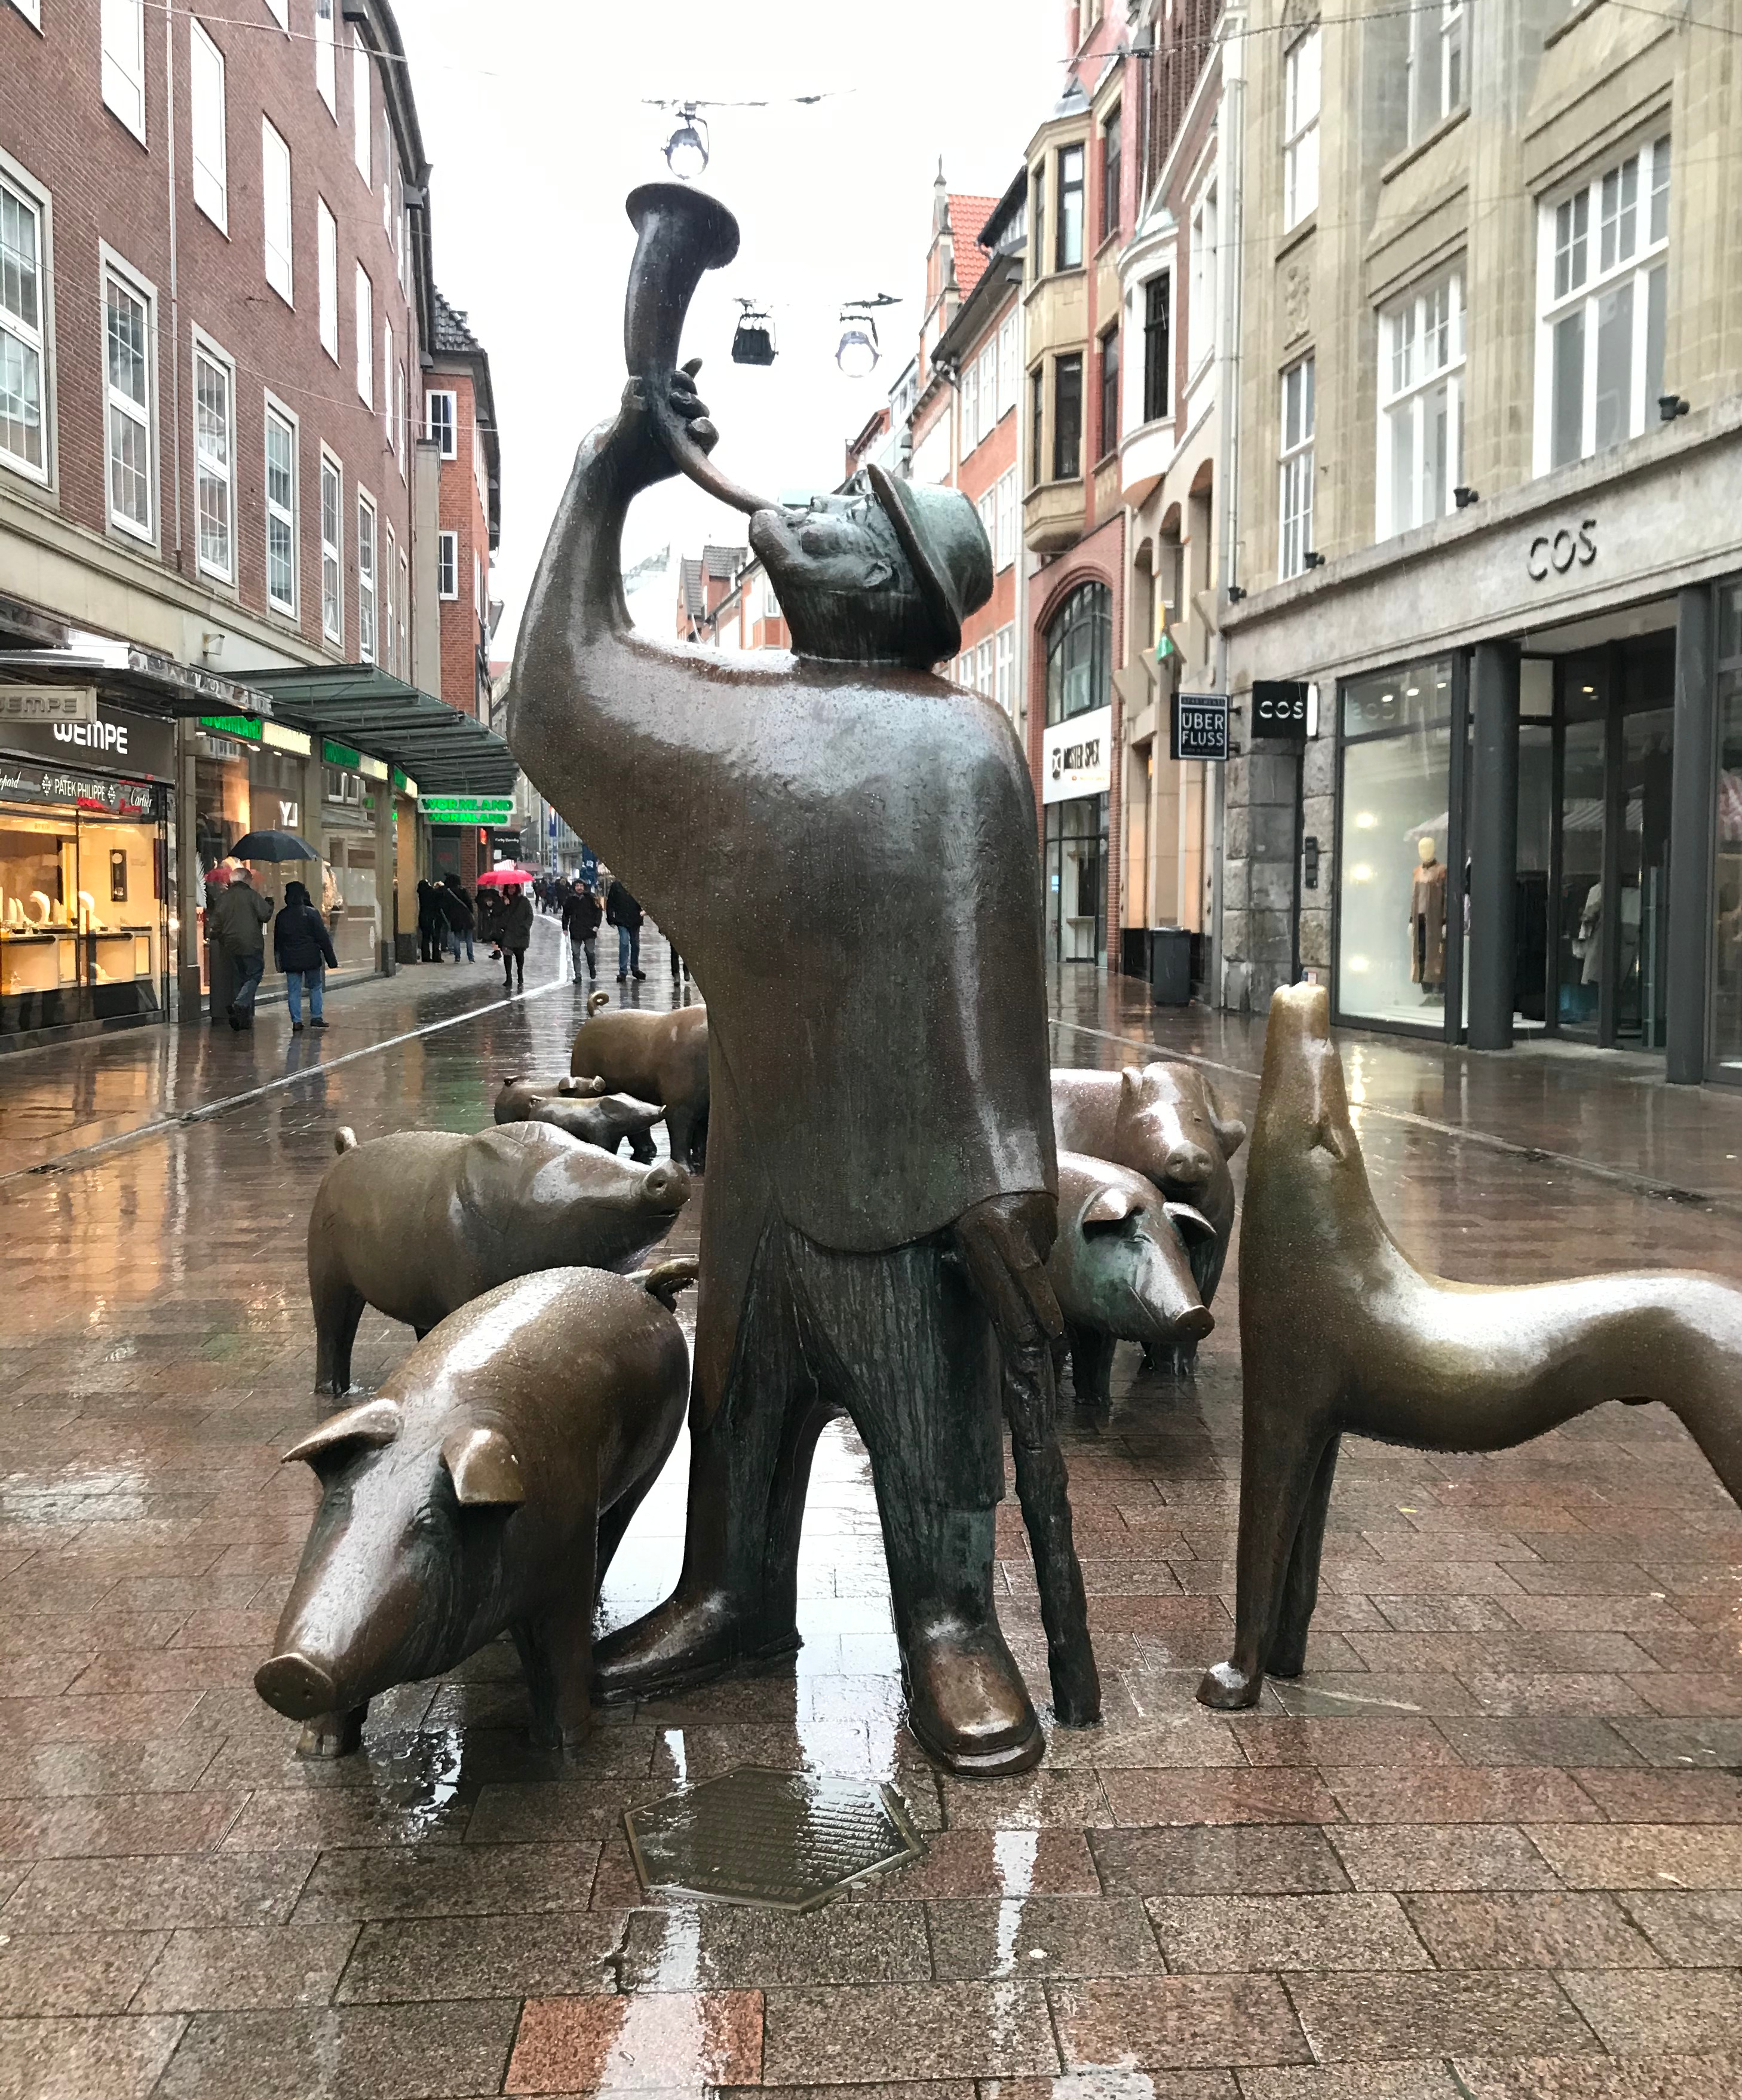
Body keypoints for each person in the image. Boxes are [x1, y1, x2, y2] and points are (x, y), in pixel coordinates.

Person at [510, 361, 1068, 1775]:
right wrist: (605, 473)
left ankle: (948, 1618)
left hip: (917, 1192)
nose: (802, 511)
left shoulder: (961, 746)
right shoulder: (743, 715)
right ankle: (734, 1589)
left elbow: (995, 988)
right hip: (758, 1180)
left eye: (844, 514)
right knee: (737, 1415)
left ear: (891, 586)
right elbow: (560, 696)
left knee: (931, 1439)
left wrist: (1010, 1180)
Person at [211, 863, 272, 1030]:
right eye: (250, 878)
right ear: (246, 880)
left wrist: (217, 937)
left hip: (230, 944)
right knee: (254, 975)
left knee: (238, 979)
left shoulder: (223, 898)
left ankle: (242, 1020)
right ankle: (240, 1004)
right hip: (251, 944)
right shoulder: (251, 895)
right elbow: (265, 915)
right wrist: (270, 903)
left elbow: (216, 924)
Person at [274, 879, 338, 1031]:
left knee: (294, 990)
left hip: (290, 959)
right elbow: (323, 938)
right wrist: (331, 960)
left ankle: (296, 1021)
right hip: (311, 958)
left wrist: (279, 962)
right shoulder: (311, 913)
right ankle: (316, 1017)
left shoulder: (282, 915)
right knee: (315, 987)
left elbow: (278, 941)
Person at [562, 879, 602, 982]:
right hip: (576, 929)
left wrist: (596, 925)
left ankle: (592, 968)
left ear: (584, 887)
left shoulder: (591, 898)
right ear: (574, 887)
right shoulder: (570, 899)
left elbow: (599, 911)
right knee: (575, 953)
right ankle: (578, 975)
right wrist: (565, 928)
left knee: (590, 952)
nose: (579, 888)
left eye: (581, 886)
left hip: (589, 929)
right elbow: (566, 914)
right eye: (577, 886)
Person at [606, 874, 645, 981]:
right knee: (624, 943)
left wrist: (644, 911)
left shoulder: (637, 885)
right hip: (622, 919)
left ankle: (635, 968)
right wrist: (610, 918)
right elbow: (610, 902)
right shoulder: (617, 885)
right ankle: (623, 971)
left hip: (635, 919)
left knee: (635, 944)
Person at [499, 881, 533, 992]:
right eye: (509, 888)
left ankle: (520, 975)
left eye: (513, 887)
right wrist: (504, 905)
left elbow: (530, 915)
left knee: (520, 956)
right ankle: (509, 977)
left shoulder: (524, 901)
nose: (511, 890)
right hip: (508, 932)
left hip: (520, 933)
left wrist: (525, 927)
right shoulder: (503, 901)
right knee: (507, 956)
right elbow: (498, 915)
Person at [441, 875, 476, 962]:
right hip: (466, 916)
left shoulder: (448, 892)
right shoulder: (463, 890)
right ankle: (471, 958)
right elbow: (469, 903)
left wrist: (449, 916)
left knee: (457, 937)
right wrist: (471, 912)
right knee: (469, 938)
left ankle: (457, 957)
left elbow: (446, 906)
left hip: (455, 917)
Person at [416, 878, 446, 964]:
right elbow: (441, 895)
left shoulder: (422, 893)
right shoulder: (431, 892)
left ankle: (426, 956)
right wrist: (442, 886)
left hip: (423, 916)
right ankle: (436, 956)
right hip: (432, 917)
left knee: (426, 938)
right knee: (436, 938)